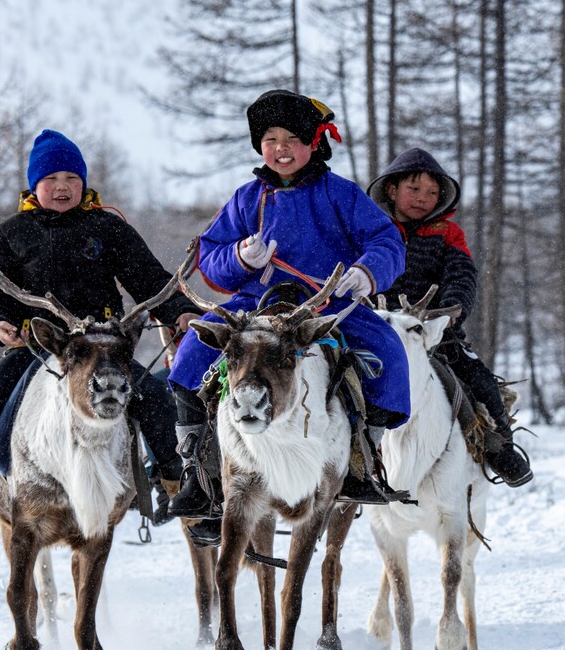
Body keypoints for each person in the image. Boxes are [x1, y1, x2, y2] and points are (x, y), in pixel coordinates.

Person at [0, 129, 199, 558]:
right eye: (51, 179)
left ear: (84, 183)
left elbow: (149, 280)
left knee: (155, 396)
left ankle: (188, 499)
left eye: (71, 178)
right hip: (36, 346)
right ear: (33, 185)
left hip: (99, 348)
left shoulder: (107, 228)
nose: (62, 187)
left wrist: (179, 313)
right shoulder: (11, 234)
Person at [165, 89, 411, 525]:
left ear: (315, 142)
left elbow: (386, 240)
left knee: (387, 350)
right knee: (189, 355)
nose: (280, 149)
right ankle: (195, 472)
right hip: (253, 307)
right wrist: (240, 257)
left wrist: (367, 273)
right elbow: (211, 261)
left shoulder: (341, 194)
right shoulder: (246, 199)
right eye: (270, 139)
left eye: (291, 139)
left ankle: (361, 463)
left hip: (326, 305)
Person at [365, 147, 532, 486]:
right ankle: (350, 460)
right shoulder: (374, 229)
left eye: (432, 192)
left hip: (437, 335)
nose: (422, 198)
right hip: (378, 334)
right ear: (392, 190)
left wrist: (452, 310)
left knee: (483, 384)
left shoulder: (448, 233)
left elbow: (462, 275)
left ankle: (499, 447)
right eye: (414, 189)